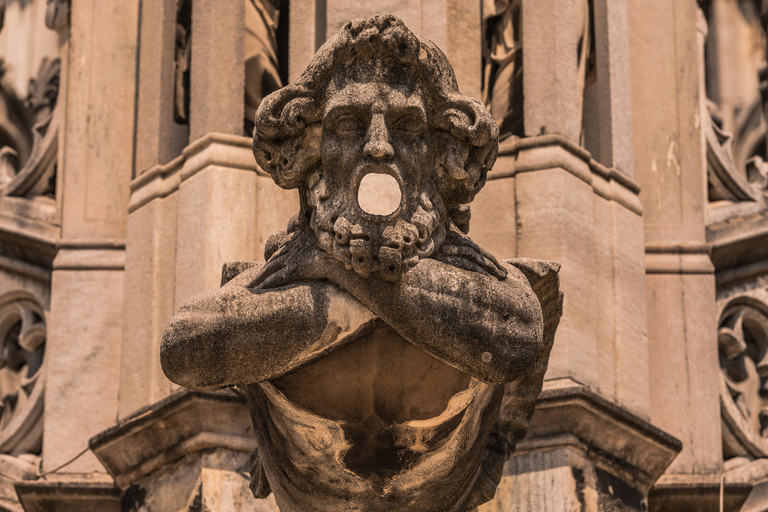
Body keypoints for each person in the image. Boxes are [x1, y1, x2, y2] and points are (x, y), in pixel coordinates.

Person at [161, 14, 546, 512]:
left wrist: (340, 265)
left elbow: (518, 335)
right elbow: (184, 347)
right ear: (310, 147)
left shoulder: (305, 264)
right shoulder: (289, 268)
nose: (379, 146)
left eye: (407, 127)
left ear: (439, 150)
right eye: (348, 124)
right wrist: (376, 281)